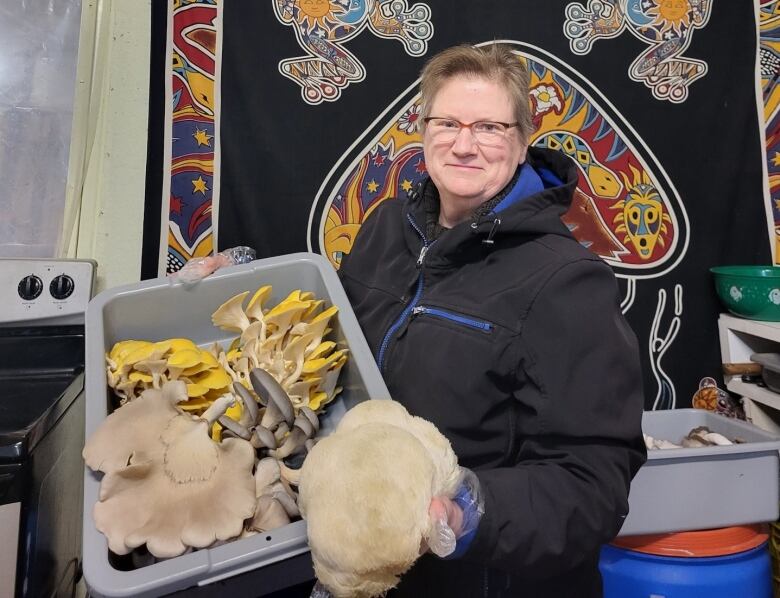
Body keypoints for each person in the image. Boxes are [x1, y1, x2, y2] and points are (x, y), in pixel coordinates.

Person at [336, 43, 646, 597]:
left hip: (483, 582)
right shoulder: (385, 229)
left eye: (489, 127)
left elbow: (593, 482)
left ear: (522, 143)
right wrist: (233, 271)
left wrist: (466, 512)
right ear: (423, 130)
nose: (463, 144)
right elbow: (330, 335)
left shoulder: (565, 282)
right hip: (372, 563)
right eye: (448, 122)